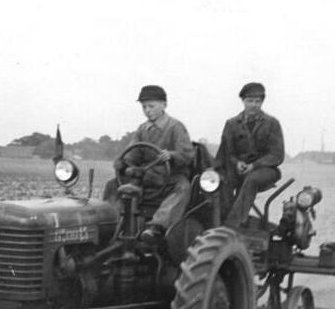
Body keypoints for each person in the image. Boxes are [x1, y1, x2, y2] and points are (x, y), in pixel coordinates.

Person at [103, 85, 194, 243]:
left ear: (164, 105)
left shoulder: (175, 127)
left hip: (169, 177)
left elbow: (187, 155)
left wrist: (171, 155)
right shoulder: (142, 129)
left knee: (183, 187)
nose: (147, 110)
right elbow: (133, 153)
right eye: (144, 107)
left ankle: (156, 226)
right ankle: (110, 223)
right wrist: (122, 163)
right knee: (113, 185)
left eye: (151, 106)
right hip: (147, 176)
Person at [214, 82, 285, 228]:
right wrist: (236, 163)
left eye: (257, 101)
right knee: (223, 180)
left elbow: (277, 155)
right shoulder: (232, 124)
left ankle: (232, 224)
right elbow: (227, 152)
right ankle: (221, 219)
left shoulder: (272, 124)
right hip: (238, 168)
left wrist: (254, 165)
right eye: (250, 101)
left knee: (251, 179)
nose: (253, 105)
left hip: (266, 170)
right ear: (243, 101)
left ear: (262, 102)